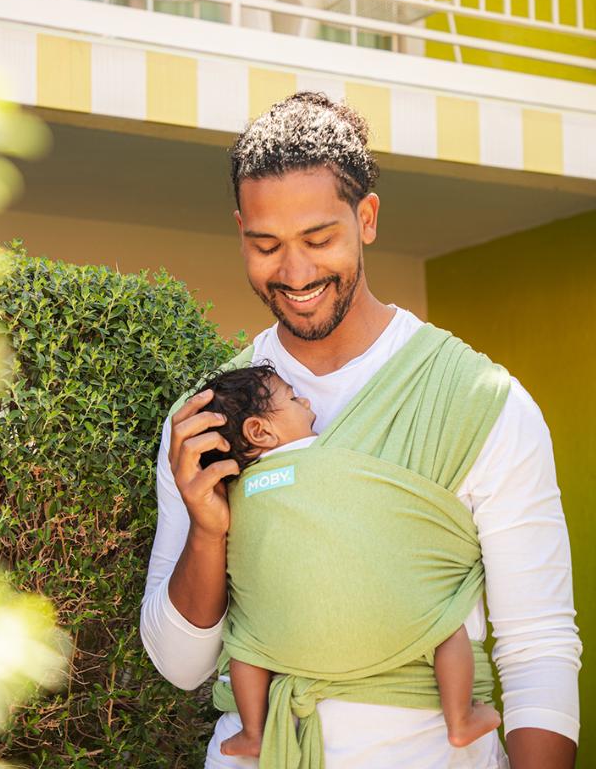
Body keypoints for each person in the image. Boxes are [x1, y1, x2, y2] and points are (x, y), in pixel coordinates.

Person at [140, 92, 581, 769]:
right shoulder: (210, 421)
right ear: (241, 232)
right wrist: (208, 529)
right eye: (265, 245)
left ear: (366, 218)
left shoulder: (482, 403)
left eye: (319, 239)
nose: (294, 273)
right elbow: (180, 667)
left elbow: (538, 647)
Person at [194, 362, 501, 759]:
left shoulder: (236, 491)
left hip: (285, 632)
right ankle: (460, 718)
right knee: (444, 628)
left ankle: (254, 731)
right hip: (380, 618)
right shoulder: (330, 456)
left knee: (245, 647)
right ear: (260, 430)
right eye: (291, 397)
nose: (306, 401)